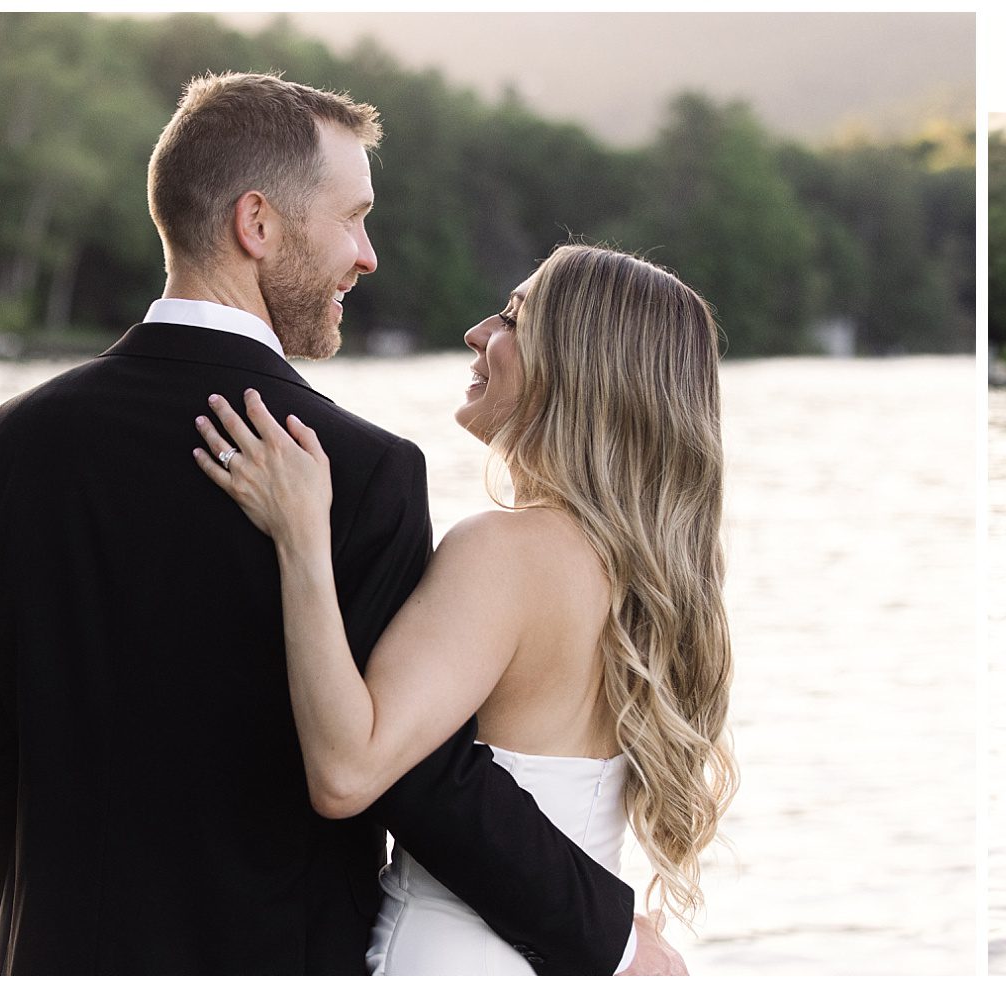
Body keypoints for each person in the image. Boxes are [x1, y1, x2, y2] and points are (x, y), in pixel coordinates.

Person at [0, 72, 674, 975]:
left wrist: (60, 921)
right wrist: (605, 931)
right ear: (258, 224)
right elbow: (421, 774)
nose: (368, 256)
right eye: (354, 218)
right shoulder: (360, 470)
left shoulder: (9, 443)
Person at [188, 243, 737, 974]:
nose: (479, 332)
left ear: (578, 367)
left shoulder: (507, 551)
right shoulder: (650, 578)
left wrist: (301, 539)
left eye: (514, 318)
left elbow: (348, 770)